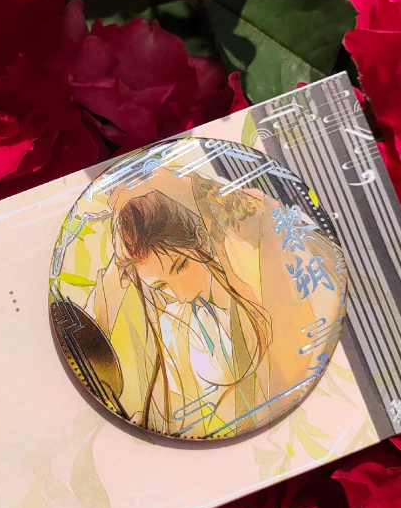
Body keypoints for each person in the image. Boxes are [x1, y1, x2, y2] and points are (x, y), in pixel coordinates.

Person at [87, 169, 333, 438]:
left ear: (202, 236)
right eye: (160, 286)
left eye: (182, 266)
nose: (182, 294)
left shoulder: (256, 270)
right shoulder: (171, 326)